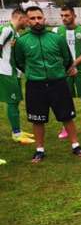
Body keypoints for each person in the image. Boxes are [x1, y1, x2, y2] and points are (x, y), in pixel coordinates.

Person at [13, 6, 81, 162]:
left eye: (39, 18)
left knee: (67, 116)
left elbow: (67, 59)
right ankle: (39, 150)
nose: (37, 21)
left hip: (58, 83)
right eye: (32, 18)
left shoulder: (57, 39)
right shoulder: (21, 41)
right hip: (35, 85)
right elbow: (19, 62)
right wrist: (34, 73)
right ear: (27, 21)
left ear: (44, 19)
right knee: (37, 119)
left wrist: (58, 72)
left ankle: (76, 146)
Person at [54, 6, 81, 138]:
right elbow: (54, 51)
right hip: (63, 72)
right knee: (64, 100)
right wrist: (66, 67)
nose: (64, 18)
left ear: (74, 16)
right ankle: (65, 127)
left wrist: (72, 65)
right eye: (62, 16)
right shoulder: (56, 31)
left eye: (67, 15)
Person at [0, 8, 34, 145]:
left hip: (14, 72)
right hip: (6, 72)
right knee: (12, 101)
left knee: (15, 101)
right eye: (27, 19)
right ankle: (16, 134)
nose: (28, 23)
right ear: (20, 18)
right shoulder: (6, 29)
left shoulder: (16, 33)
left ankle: (18, 130)